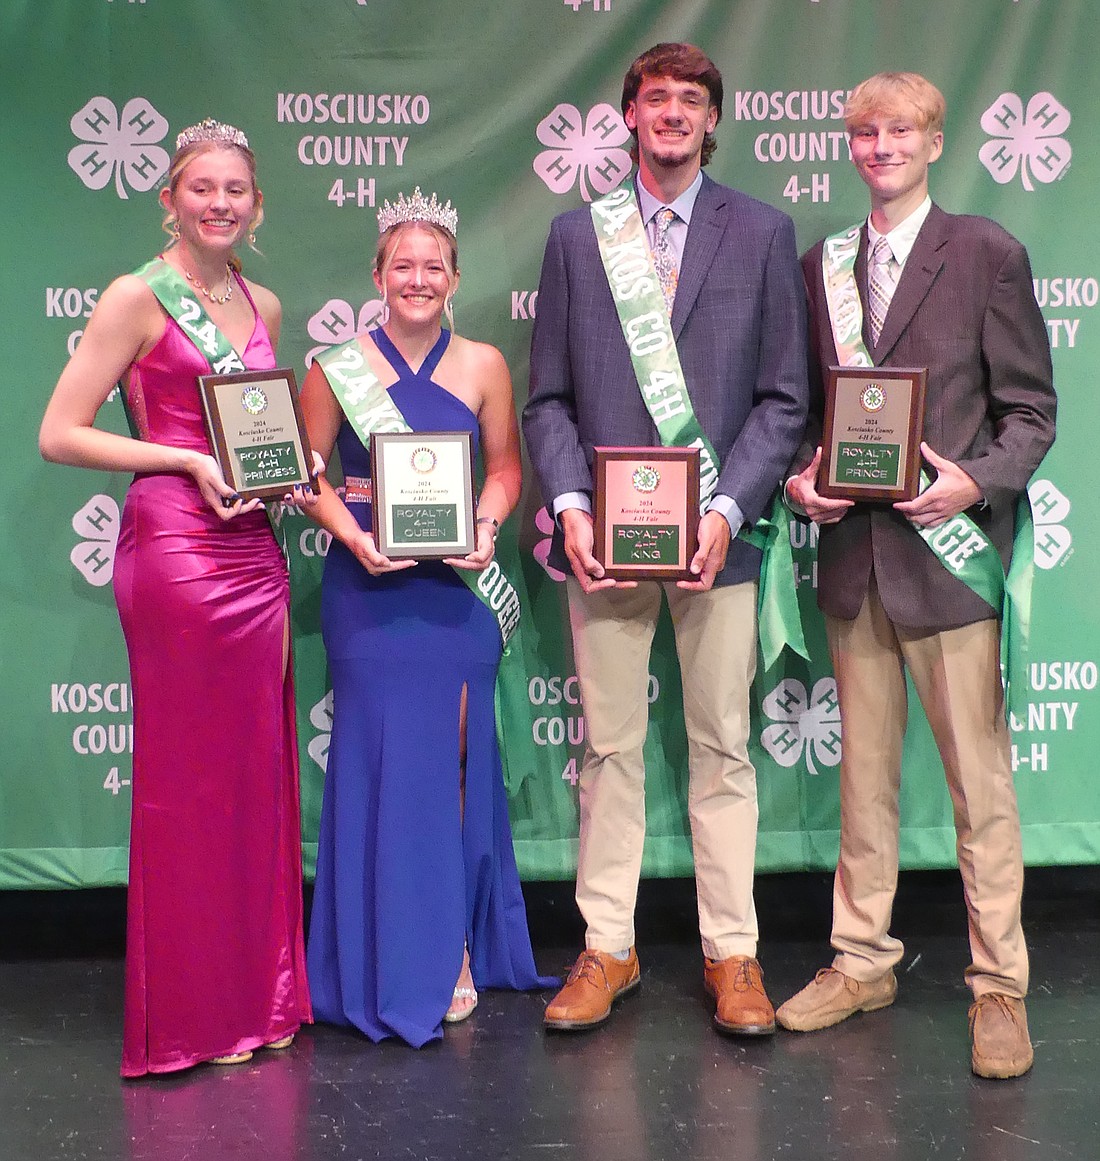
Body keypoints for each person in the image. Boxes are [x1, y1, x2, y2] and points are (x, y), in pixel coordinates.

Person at [522, 43, 809, 1036]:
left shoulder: (764, 232)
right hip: (603, 542)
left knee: (722, 747)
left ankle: (734, 954)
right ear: (628, 118)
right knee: (608, 751)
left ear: (712, 120)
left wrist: (727, 509)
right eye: (655, 100)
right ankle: (608, 945)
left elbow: (782, 398)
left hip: (718, 541)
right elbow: (547, 399)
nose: (673, 114)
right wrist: (568, 505)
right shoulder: (574, 238)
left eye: (690, 100)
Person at [776, 72, 1056, 1079]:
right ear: (847, 145)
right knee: (863, 784)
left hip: (949, 560)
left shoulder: (985, 253)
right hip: (853, 562)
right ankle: (860, 961)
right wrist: (805, 477)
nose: (879, 145)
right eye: (862, 130)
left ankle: (997, 987)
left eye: (898, 130)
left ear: (933, 143)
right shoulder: (819, 267)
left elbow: (1029, 411)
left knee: (979, 785)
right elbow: (816, 411)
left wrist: (973, 483)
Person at [39, 119, 315, 1076]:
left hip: (252, 549)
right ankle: (192, 1014)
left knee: (251, 775)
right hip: (177, 550)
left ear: (258, 203)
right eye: (203, 188)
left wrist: (284, 471)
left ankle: (258, 996)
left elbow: (257, 433)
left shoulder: (263, 303)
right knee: (188, 780)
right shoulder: (134, 297)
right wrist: (184, 458)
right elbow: (60, 432)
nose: (221, 204)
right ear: (171, 197)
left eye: (236, 189)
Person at [300, 188, 555, 1047]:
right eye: (401, 265)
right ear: (377, 274)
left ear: (454, 277)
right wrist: (353, 535)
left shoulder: (483, 363)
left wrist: (485, 522)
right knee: (378, 767)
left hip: (456, 595)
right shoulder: (333, 366)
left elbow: (509, 470)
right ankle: (377, 948)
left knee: (448, 763)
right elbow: (311, 479)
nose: (417, 278)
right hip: (368, 587)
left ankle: (449, 945)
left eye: (433, 265)